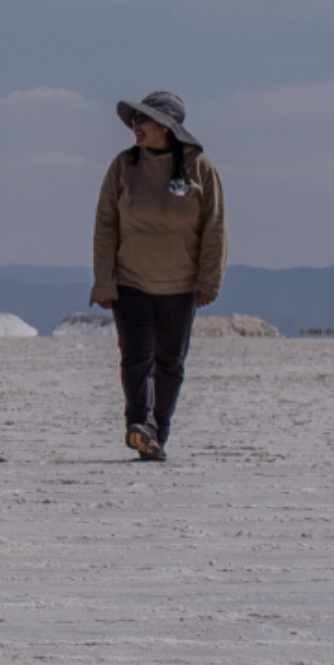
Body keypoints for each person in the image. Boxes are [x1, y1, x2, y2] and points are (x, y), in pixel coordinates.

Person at [90, 92, 225, 463]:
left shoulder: (199, 167)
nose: (136, 126)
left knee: (170, 363)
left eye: (143, 120)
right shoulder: (124, 165)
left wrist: (208, 279)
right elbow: (105, 225)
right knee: (137, 357)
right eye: (134, 120)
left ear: (167, 126)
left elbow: (214, 227)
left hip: (181, 285)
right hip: (131, 280)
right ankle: (139, 424)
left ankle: (156, 434)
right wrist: (104, 279)